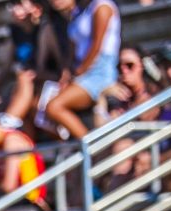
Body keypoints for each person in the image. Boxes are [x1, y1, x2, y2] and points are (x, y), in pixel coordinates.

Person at [45, 0, 120, 140]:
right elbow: (74, 49)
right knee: (41, 107)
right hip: (82, 70)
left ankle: (90, 147)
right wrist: (67, 74)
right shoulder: (80, 11)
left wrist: (79, 72)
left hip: (100, 72)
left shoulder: (102, 6)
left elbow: (97, 46)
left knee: (54, 107)